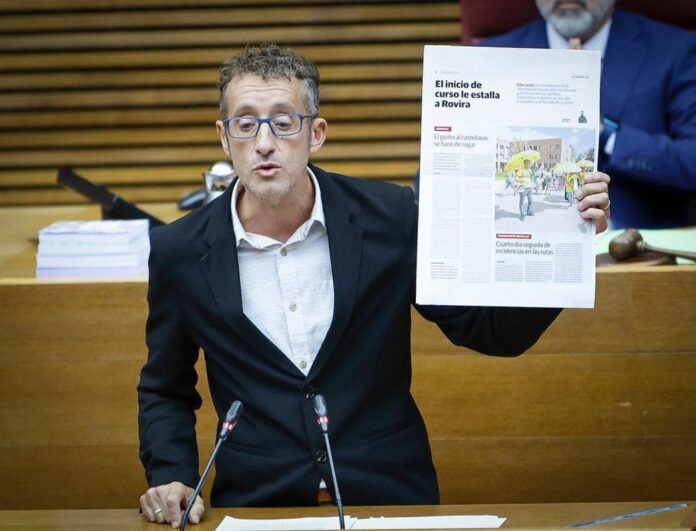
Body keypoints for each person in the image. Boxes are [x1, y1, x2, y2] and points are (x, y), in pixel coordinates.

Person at [137, 44, 611, 527]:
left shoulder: (389, 217)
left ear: (316, 133)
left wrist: (565, 242)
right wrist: (172, 473)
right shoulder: (180, 250)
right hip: (258, 504)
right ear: (224, 137)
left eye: (283, 122)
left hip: (390, 495)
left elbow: (490, 331)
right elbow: (165, 387)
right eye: (245, 124)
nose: (263, 143)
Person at [481, 0, 696, 229]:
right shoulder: (488, 57)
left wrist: (605, 132)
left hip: (640, 243)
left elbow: (691, 161)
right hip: (524, 240)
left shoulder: (676, 50)